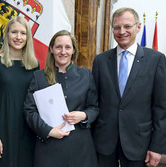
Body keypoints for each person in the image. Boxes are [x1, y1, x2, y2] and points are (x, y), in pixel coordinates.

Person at [92, 7, 166, 167]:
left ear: (138, 27)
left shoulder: (156, 60)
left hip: (139, 143)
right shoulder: (100, 61)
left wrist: (157, 147)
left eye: (127, 26)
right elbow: (94, 102)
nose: (122, 31)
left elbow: (161, 107)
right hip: (104, 143)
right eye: (117, 27)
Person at [24, 30, 99, 167]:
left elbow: (94, 108)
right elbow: (29, 111)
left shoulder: (85, 75)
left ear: (74, 50)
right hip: (49, 148)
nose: (63, 52)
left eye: (67, 47)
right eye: (58, 47)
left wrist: (83, 115)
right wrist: (48, 131)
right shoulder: (39, 77)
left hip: (80, 148)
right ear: (51, 49)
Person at [0, 16, 39, 167]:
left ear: (28, 37)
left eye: (23, 33)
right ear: (7, 34)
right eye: (14, 32)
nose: (18, 37)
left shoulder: (34, 64)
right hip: (1, 128)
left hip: (27, 130)